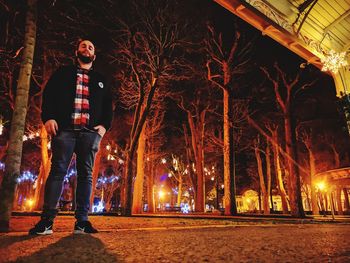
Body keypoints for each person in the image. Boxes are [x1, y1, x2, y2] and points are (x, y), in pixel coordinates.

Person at [29, 39, 113, 235]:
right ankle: (47, 222)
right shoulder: (63, 73)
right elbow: (48, 95)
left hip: (90, 133)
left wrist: (103, 127)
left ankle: (82, 222)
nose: (87, 49)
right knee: (57, 171)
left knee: (86, 176)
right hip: (64, 130)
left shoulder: (102, 80)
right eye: (83, 46)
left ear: (94, 55)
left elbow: (109, 105)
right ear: (77, 51)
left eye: (91, 47)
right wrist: (48, 117)